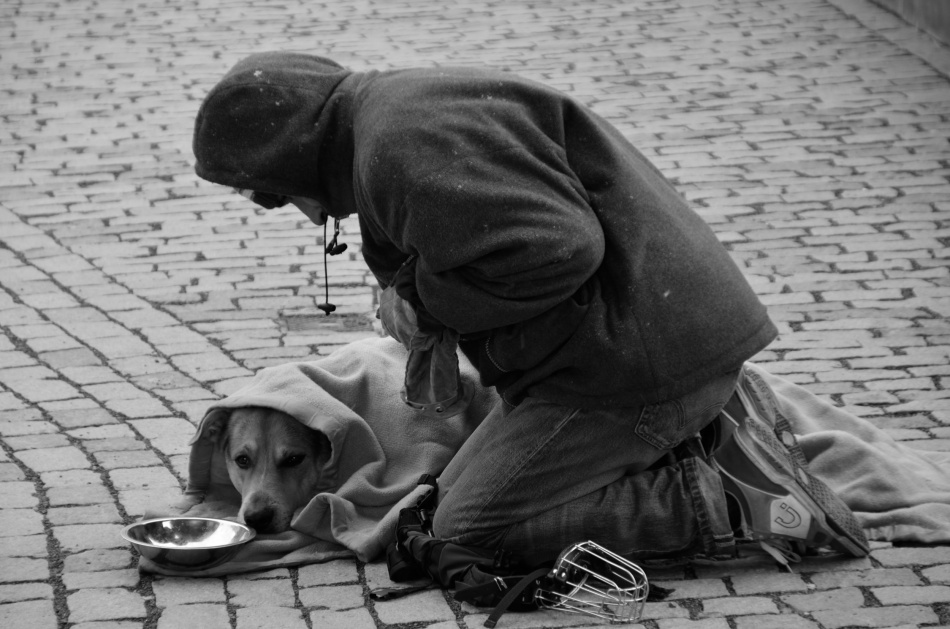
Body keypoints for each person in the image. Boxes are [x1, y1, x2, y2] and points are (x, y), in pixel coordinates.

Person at [192, 51, 868, 565]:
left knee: (463, 537)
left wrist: (424, 298)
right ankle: (713, 426)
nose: (296, 213)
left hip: (635, 367)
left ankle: (735, 503)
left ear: (296, 161)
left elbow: (561, 248)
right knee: (419, 519)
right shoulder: (392, 112)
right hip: (644, 341)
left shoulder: (394, 146)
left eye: (274, 196)